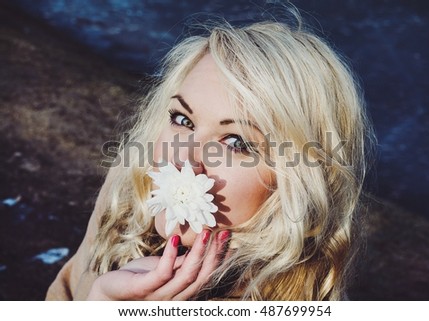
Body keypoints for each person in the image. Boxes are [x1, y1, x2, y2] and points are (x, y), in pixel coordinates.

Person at [46, 7, 373, 301]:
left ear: (295, 181)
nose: (183, 160)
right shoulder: (126, 197)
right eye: (182, 119)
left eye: (236, 142)